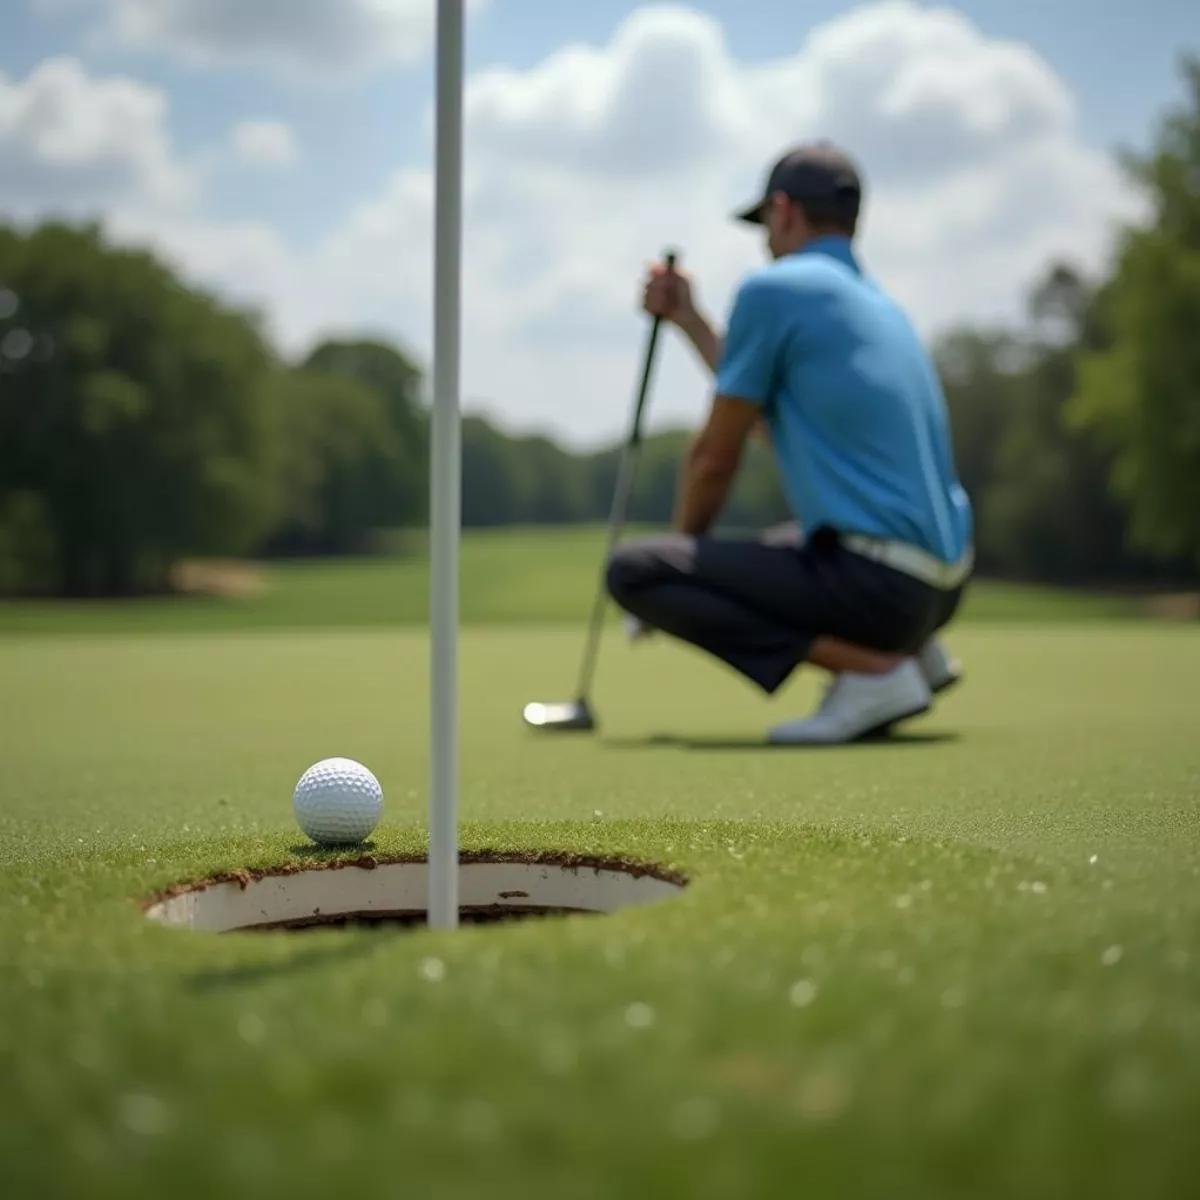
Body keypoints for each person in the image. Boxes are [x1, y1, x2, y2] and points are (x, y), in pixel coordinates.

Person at [605, 140, 974, 744]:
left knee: (636, 572)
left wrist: (680, 565)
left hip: (879, 588)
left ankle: (877, 670)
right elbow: (766, 414)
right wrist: (693, 322)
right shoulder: (882, 306)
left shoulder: (772, 289)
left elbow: (713, 459)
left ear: (782, 210)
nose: (766, 241)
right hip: (942, 588)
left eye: (765, 227)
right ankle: (916, 653)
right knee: (786, 542)